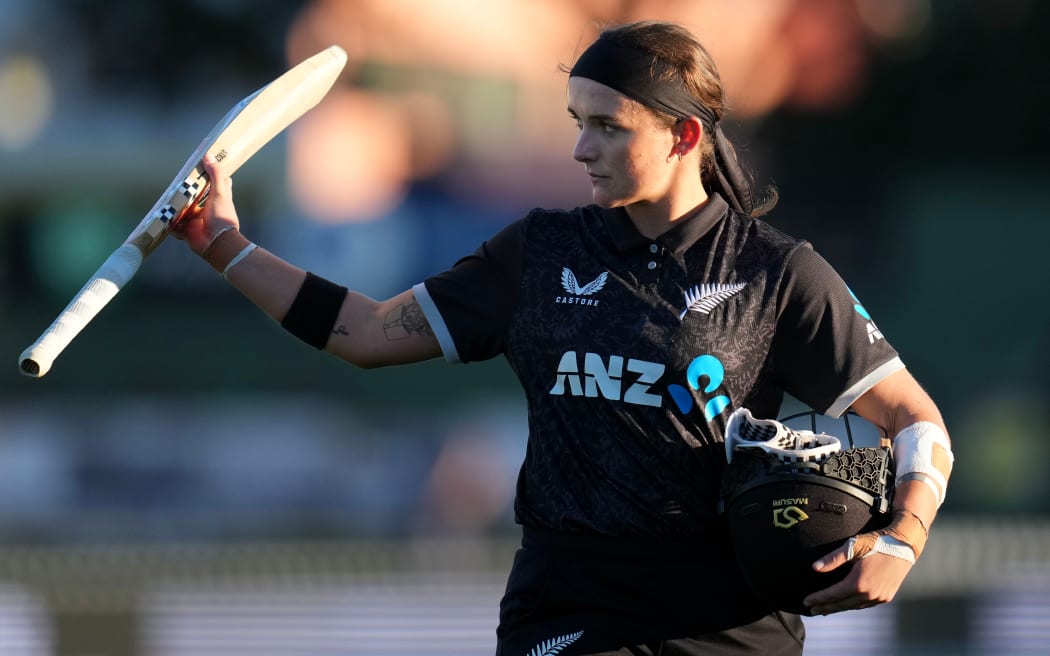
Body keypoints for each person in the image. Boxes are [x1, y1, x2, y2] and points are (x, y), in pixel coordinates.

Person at [176, 20, 953, 656]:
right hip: (572, 606)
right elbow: (368, 332)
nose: (582, 149)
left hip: (728, 623)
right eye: (578, 123)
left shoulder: (779, 273)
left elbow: (918, 422)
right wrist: (223, 244)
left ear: (685, 136)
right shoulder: (539, 253)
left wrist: (901, 541)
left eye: (608, 128)